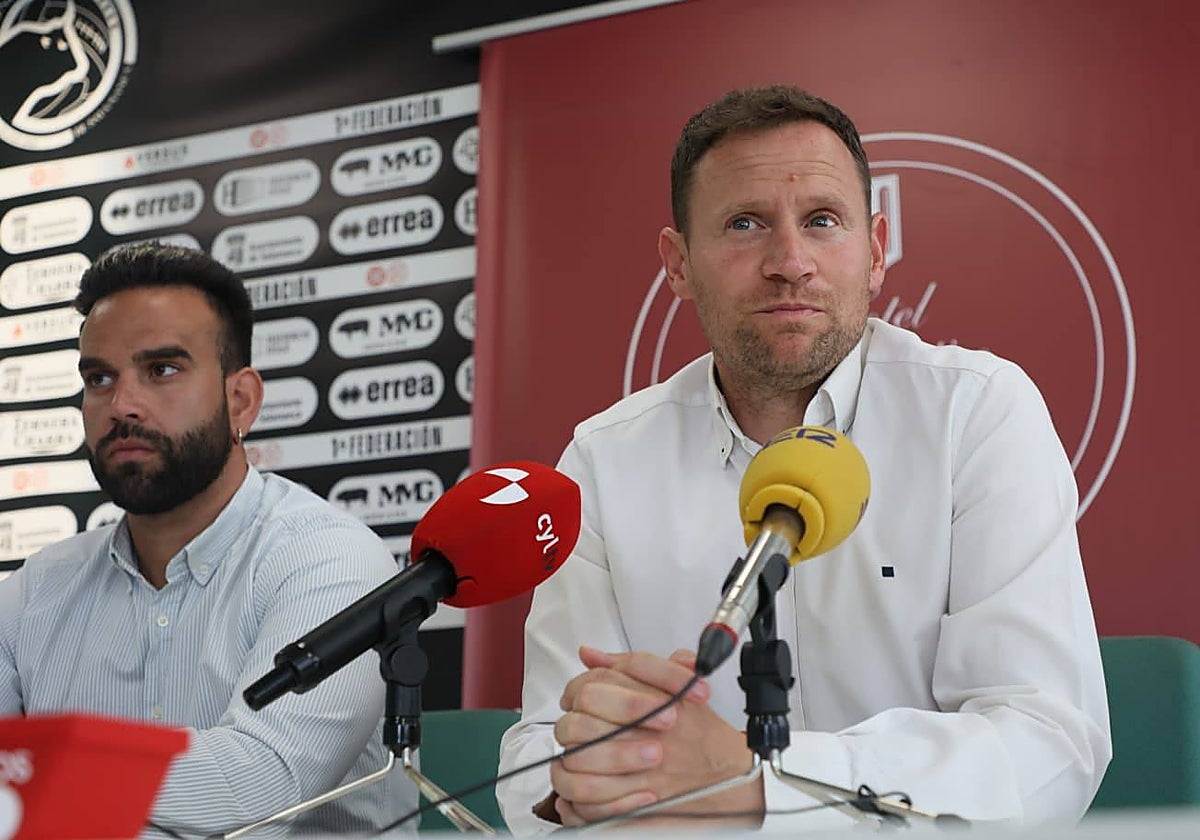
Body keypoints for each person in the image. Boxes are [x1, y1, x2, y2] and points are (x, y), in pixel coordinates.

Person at [496, 86, 1111, 833]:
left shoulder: (974, 411)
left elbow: (1047, 745)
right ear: (678, 264)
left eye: (822, 220)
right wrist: (589, 771)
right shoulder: (602, 459)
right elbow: (537, 758)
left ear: (875, 250)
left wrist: (751, 782)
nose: (790, 262)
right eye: (745, 224)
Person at [0, 243, 414, 836]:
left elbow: (259, 784)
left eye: (162, 370)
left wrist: (51, 770)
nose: (122, 405)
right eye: (99, 378)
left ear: (239, 400)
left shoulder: (331, 560)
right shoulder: (36, 591)